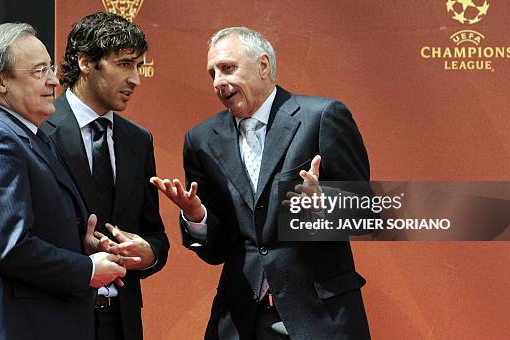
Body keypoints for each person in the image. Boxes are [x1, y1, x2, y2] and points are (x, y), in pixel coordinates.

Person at [151, 27, 371, 339]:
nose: (218, 82)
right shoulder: (200, 140)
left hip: (318, 317)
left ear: (263, 65)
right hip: (240, 321)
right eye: (212, 73)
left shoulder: (322, 116)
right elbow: (217, 250)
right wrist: (197, 217)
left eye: (228, 68)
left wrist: (326, 205)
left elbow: (365, 214)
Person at [0, 22, 128, 340]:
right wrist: (88, 270)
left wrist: (79, 244)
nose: (55, 81)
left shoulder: (29, 136)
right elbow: (9, 248)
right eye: (39, 71)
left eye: (52, 69)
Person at [41, 12, 169, 340]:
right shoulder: (39, 133)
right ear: (86, 62)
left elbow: (154, 235)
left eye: (138, 66)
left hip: (122, 322)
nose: (136, 79)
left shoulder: (138, 141)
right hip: (57, 318)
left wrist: (148, 254)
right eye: (125, 64)